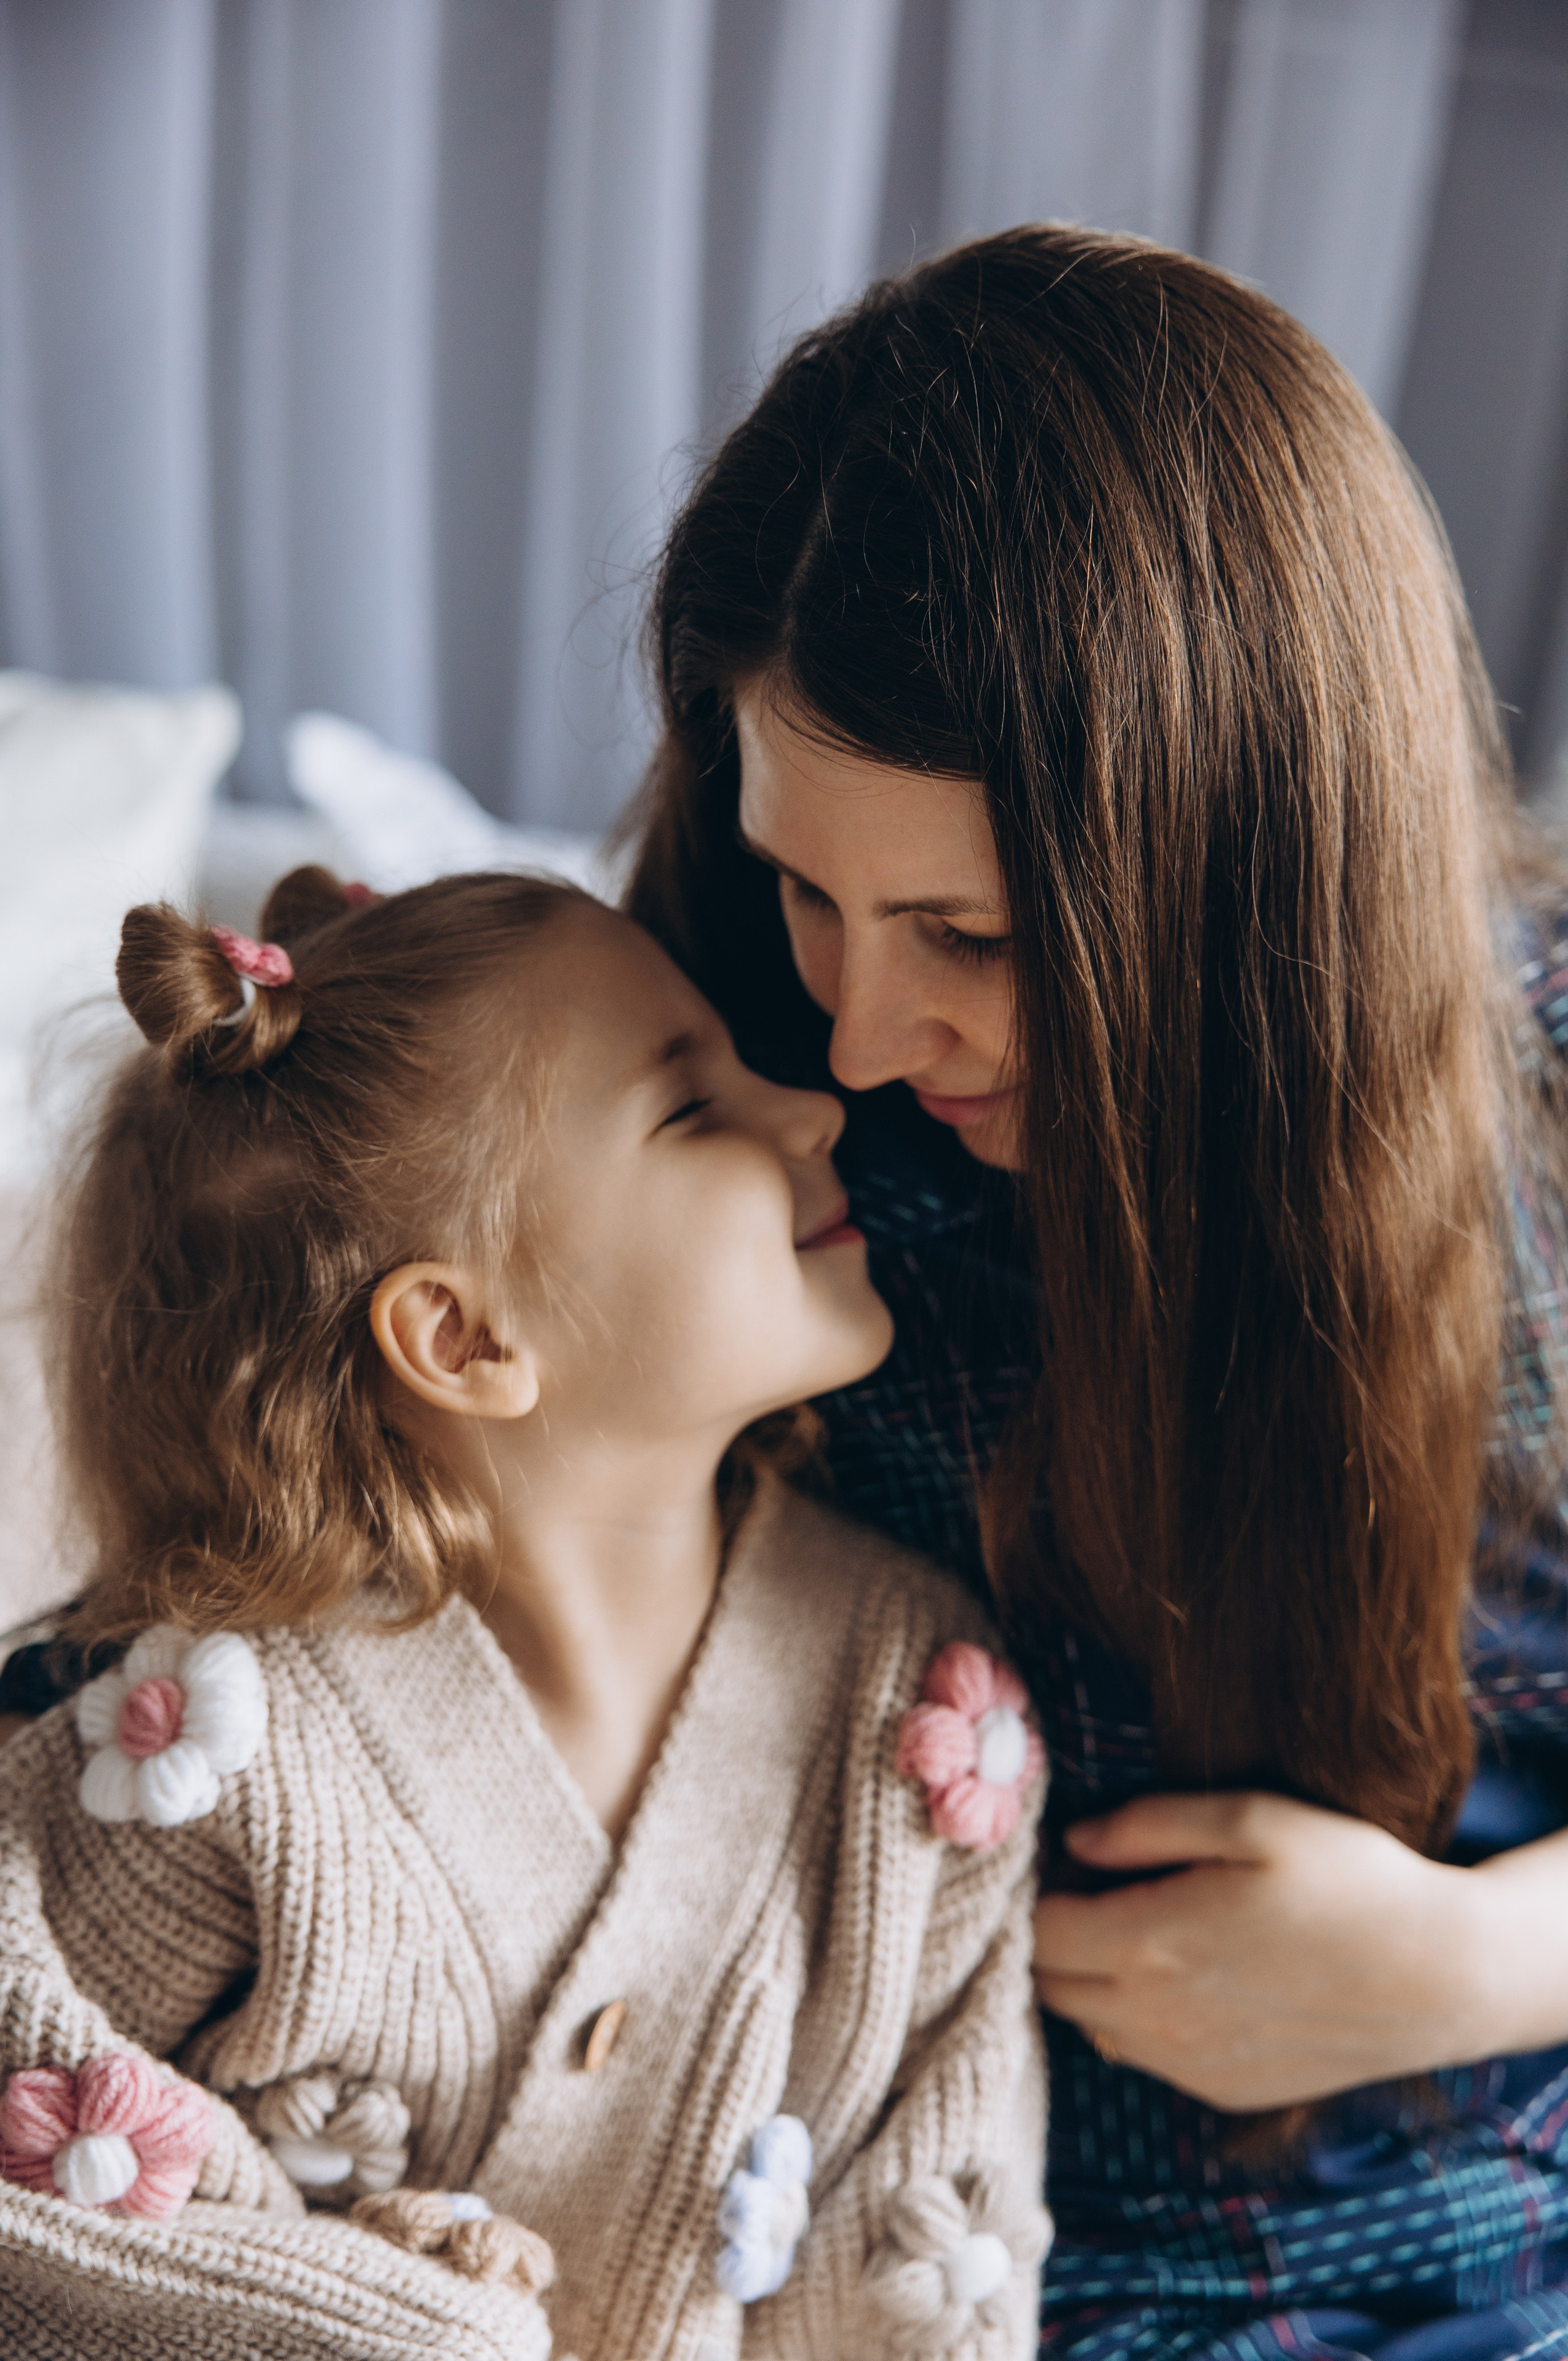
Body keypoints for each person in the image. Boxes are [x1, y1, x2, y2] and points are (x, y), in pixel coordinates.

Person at [625, 224, 1568, 2360]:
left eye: (968, 936)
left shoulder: (1540, 1107)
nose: (860, 1036)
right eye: (806, 889)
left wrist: (1482, 1967)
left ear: (1244, 880)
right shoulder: (737, 1098)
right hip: (929, 2253)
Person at [0, 868, 1047, 2361]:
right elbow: (42, 2180)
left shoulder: (926, 1722)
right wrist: (409, 2326)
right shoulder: (201, 1748)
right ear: (466, 1335)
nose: (811, 1109)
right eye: (691, 1111)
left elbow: (940, 2256)